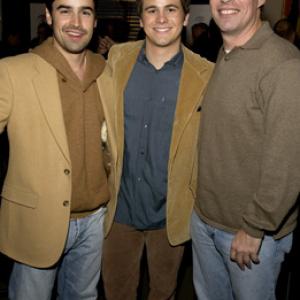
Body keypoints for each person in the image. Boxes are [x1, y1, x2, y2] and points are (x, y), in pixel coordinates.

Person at [97, 0, 213, 299]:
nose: (161, 18)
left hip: (171, 214)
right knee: (116, 293)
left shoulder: (207, 74)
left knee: (164, 292)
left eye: (171, 9)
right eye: (151, 9)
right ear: (142, 19)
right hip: (119, 210)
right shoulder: (116, 58)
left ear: (185, 17)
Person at [0, 0, 109, 299]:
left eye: (85, 12)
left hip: (96, 220)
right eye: (65, 10)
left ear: (95, 20)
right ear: (48, 16)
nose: (76, 22)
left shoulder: (108, 74)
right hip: (39, 220)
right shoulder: (13, 71)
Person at [191, 0, 300, 300]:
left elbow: (289, 161)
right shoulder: (226, 53)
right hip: (205, 221)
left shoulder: (283, 63)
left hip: (248, 235)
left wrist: (255, 226)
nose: (225, 1)